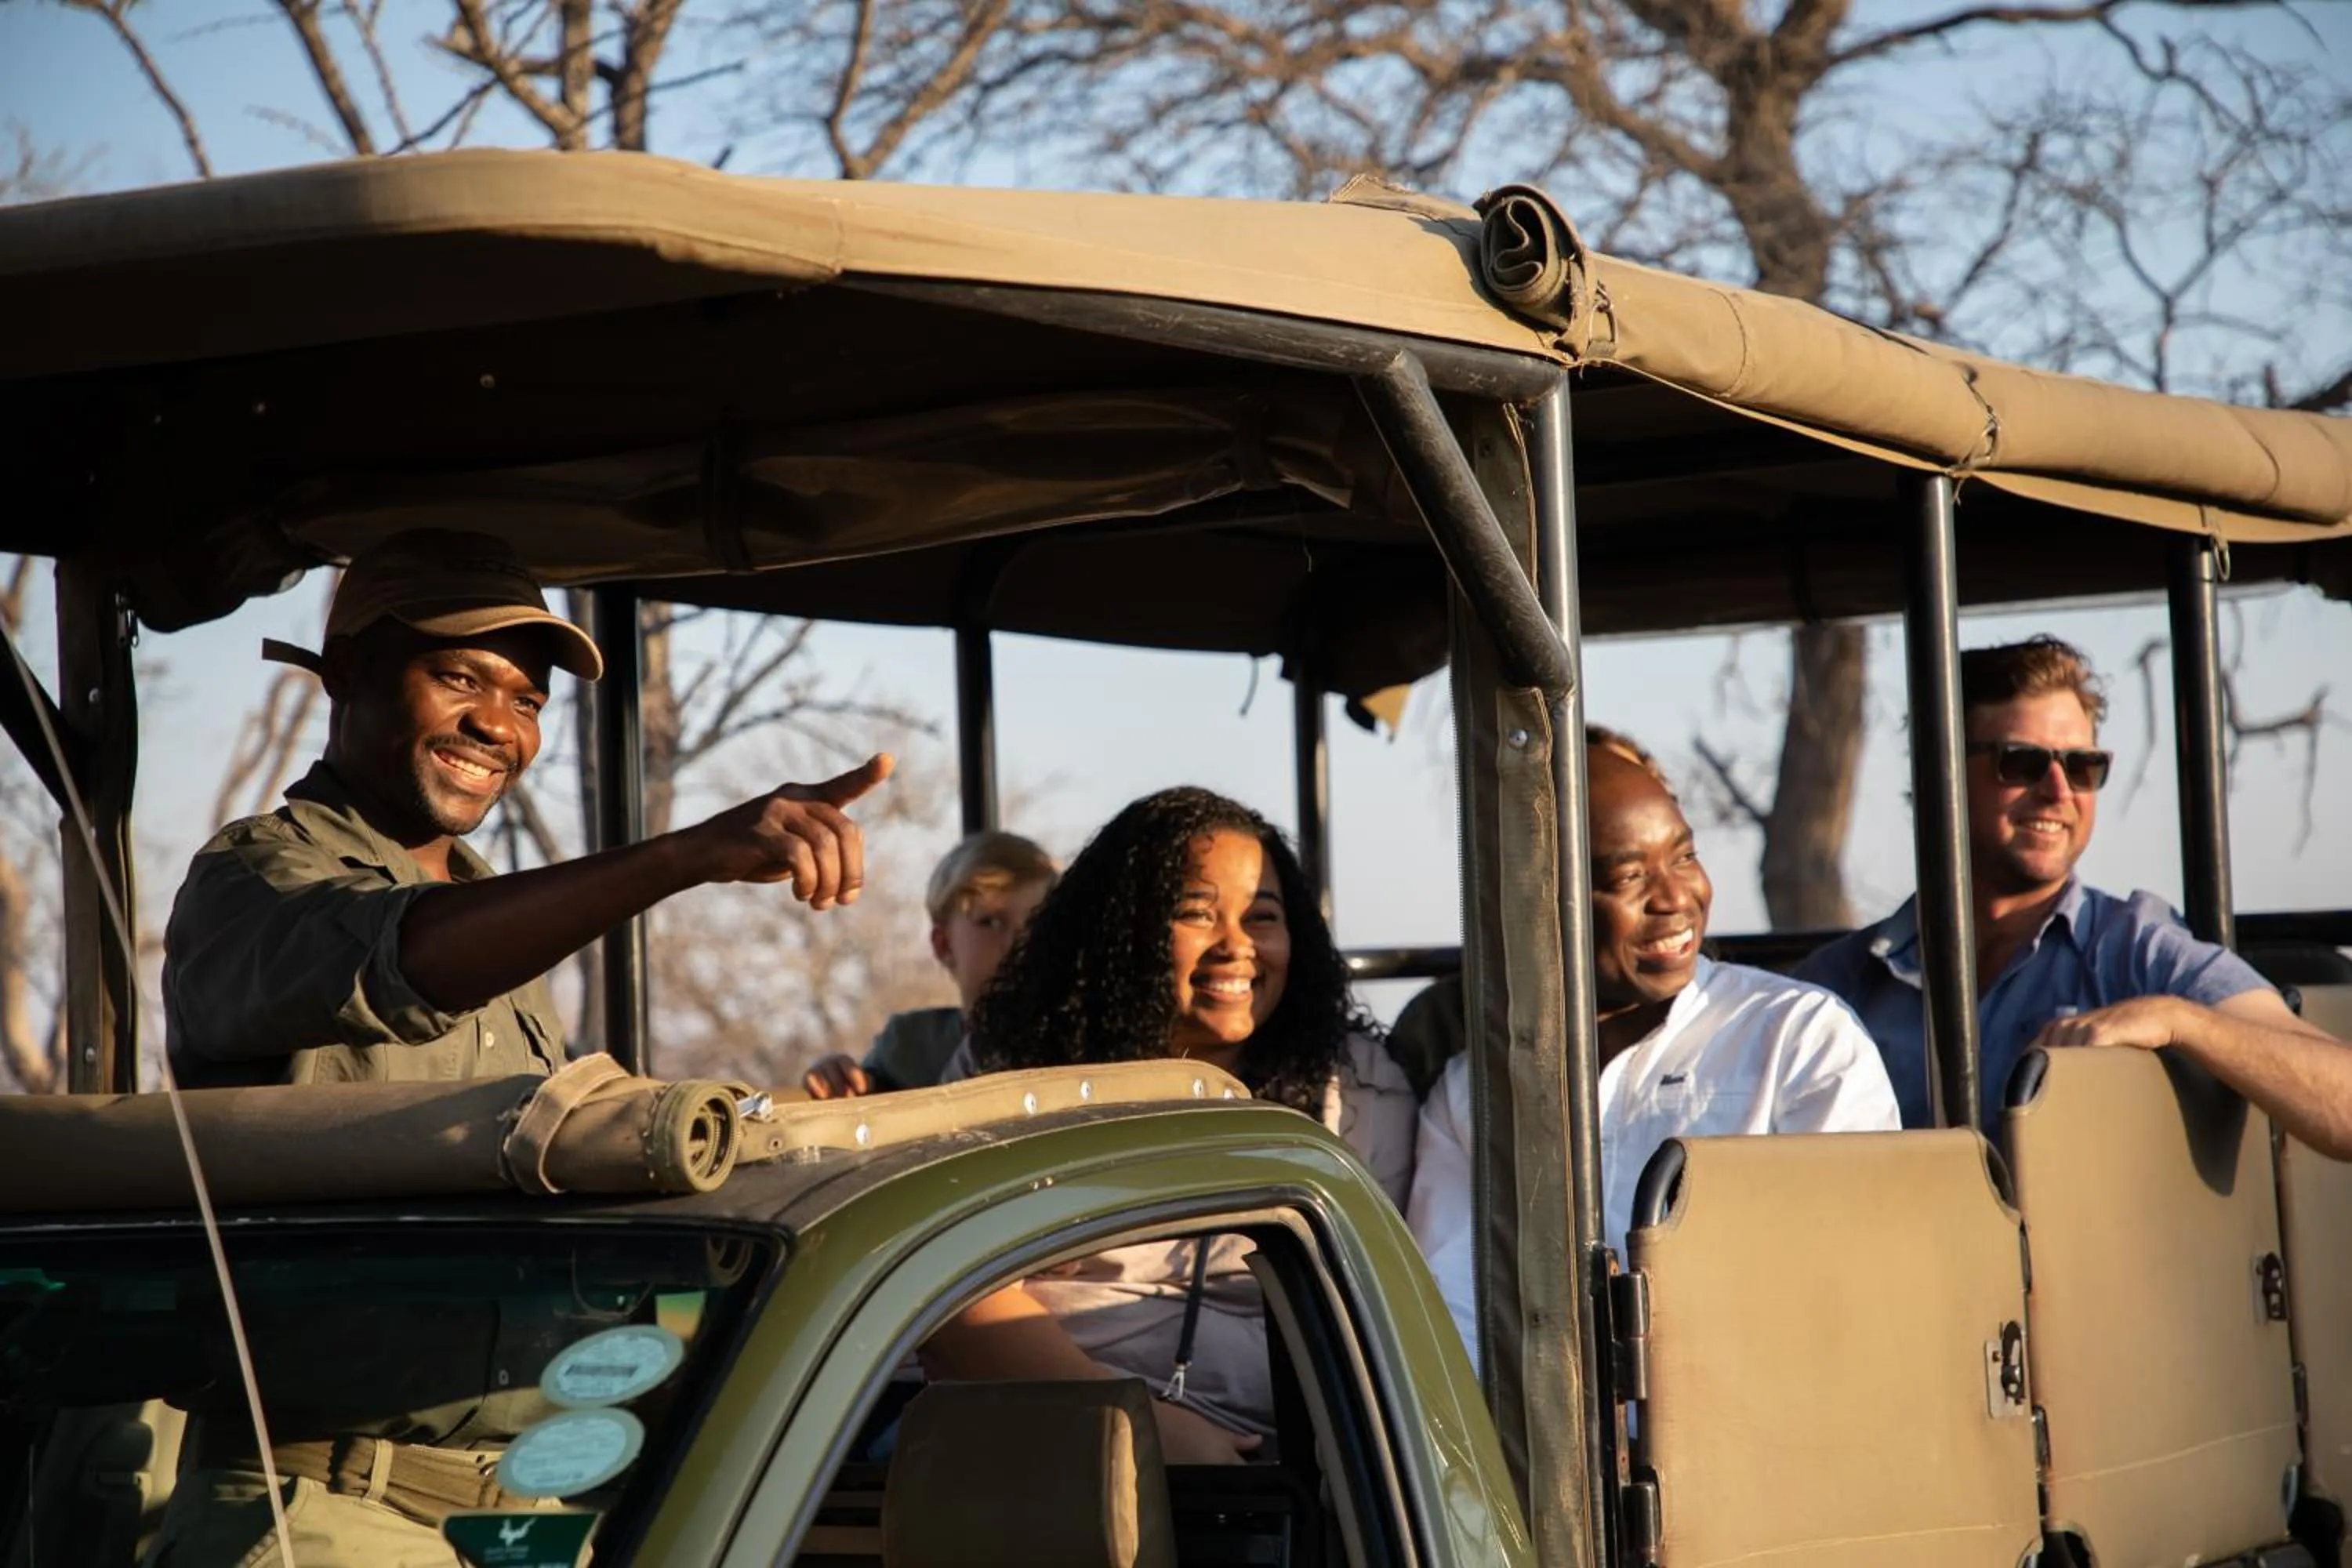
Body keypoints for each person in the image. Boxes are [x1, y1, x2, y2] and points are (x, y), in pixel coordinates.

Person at [164, 528, 895, 1091]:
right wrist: (685, 855)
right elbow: (401, 959)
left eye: (527, 703)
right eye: (458, 677)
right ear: (348, 672)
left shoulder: (491, 907)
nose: (498, 728)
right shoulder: (250, 878)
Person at [916, 786, 1415, 1465]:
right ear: (1123, 929)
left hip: (1296, 1474)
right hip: (1044, 1449)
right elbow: (948, 1295)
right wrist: (1138, 1427)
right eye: (1196, 914)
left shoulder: (1355, 1087)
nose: (1237, 946)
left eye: (1262, 917)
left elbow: (1384, 1316)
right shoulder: (1015, 1068)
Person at [1408, 728, 1899, 1365]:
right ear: (1530, 899)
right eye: (1630, 876)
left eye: (1685, 856)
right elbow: (1451, 1325)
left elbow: (1849, 1292)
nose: (1675, 897)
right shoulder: (1470, 1095)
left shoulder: (1799, 1038)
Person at [1795, 635, 2352, 1155]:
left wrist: (2180, 1021)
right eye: (2022, 762)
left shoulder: (2138, 952)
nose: (2058, 791)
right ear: (1941, 775)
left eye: (2084, 767)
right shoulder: (1836, 988)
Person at [800, 829, 1059, 1097]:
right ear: (944, 945)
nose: (1020, 942)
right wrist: (837, 1078)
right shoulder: (909, 1046)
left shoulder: (1069, 1038)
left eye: (1037, 923)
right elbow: (864, 1100)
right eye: (991, 922)